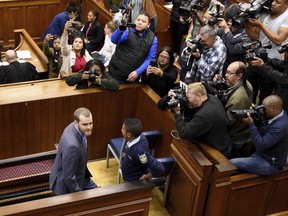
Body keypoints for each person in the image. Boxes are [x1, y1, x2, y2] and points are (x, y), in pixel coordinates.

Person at [168, 82, 231, 156]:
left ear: (198, 96)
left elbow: (184, 132)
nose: (187, 100)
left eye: (188, 98)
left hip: (217, 152)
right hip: (223, 141)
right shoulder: (211, 98)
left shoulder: (204, 115)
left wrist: (178, 113)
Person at [230, 95, 288, 175]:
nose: (262, 110)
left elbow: (261, 145)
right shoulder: (276, 114)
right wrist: (256, 115)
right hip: (262, 154)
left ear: (274, 109)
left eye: (264, 109)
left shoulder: (280, 126)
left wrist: (251, 124)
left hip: (270, 163)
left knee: (231, 164)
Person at [244, 0, 288, 103]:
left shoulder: (286, 16)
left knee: (265, 96)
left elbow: (279, 40)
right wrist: (245, 23)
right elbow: (255, 38)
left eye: (278, 2)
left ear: (286, 4)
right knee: (249, 91)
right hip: (260, 57)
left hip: (274, 63)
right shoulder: (265, 13)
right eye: (273, 0)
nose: (273, 3)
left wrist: (260, 25)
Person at [49, 107, 97, 195]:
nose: (89, 127)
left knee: (98, 193)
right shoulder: (72, 147)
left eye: (91, 123)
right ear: (76, 122)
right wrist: (79, 195)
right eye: (85, 124)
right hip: (66, 186)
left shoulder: (73, 127)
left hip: (80, 175)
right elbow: (69, 177)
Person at [108, 11, 157, 84]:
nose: (139, 22)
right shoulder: (127, 30)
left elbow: (150, 58)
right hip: (116, 72)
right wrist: (120, 30)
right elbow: (114, 40)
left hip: (133, 76)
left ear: (148, 25)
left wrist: (138, 72)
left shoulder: (153, 38)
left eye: (143, 21)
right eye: (138, 20)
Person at [222, 61, 253, 158]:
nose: (226, 75)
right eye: (226, 71)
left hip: (235, 140)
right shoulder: (246, 82)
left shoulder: (238, 99)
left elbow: (227, 122)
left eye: (229, 73)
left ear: (239, 76)